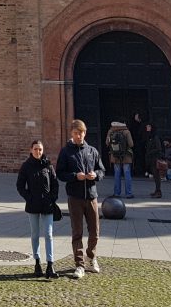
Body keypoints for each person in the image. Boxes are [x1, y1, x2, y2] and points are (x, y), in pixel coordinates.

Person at [56, 119, 105, 279]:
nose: (79, 136)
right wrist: (74, 176)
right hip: (75, 197)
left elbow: (102, 170)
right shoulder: (66, 152)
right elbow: (60, 173)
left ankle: (91, 257)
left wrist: (95, 175)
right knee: (77, 232)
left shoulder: (92, 151)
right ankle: (79, 265)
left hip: (91, 196)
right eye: (76, 133)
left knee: (95, 232)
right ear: (71, 133)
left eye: (81, 133)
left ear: (85, 133)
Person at [16, 139, 59, 279]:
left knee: (49, 234)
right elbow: (20, 185)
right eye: (35, 149)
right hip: (33, 205)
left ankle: (50, 265)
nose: (38, 152)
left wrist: (52, 198)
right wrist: (29, 197)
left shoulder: (48, 166)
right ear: (31, 150)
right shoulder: (26, 166)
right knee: (35, 234)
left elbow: (55, 183)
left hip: (47, 205)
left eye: (40, 149)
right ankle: (37, 263)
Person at [105, 120, 134, 198]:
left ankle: (117, 193)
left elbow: (107, 143)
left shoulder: (111, 131)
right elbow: (131, 144)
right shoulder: (126, 131)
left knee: (117, 175)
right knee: (127, 174)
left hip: (115, 156)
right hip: (126, 156)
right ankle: (128, 193)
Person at [143, 123, 164, 198]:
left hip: (154, 158)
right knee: (155, 175)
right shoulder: (150, 136)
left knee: (156, 175)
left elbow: (159, 148)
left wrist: (150, 152)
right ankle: (157, 190)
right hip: (151, 159)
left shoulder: (155, 137)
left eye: (148, 126)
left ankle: (158, 191)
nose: (147, 127)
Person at [130, 112, 146, 176]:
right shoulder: (135, 125)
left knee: (140, 158)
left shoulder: (141, 125)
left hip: (139, 144)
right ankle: (137, 171)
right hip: (136, 144)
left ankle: (140, 171)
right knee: (137, 158)